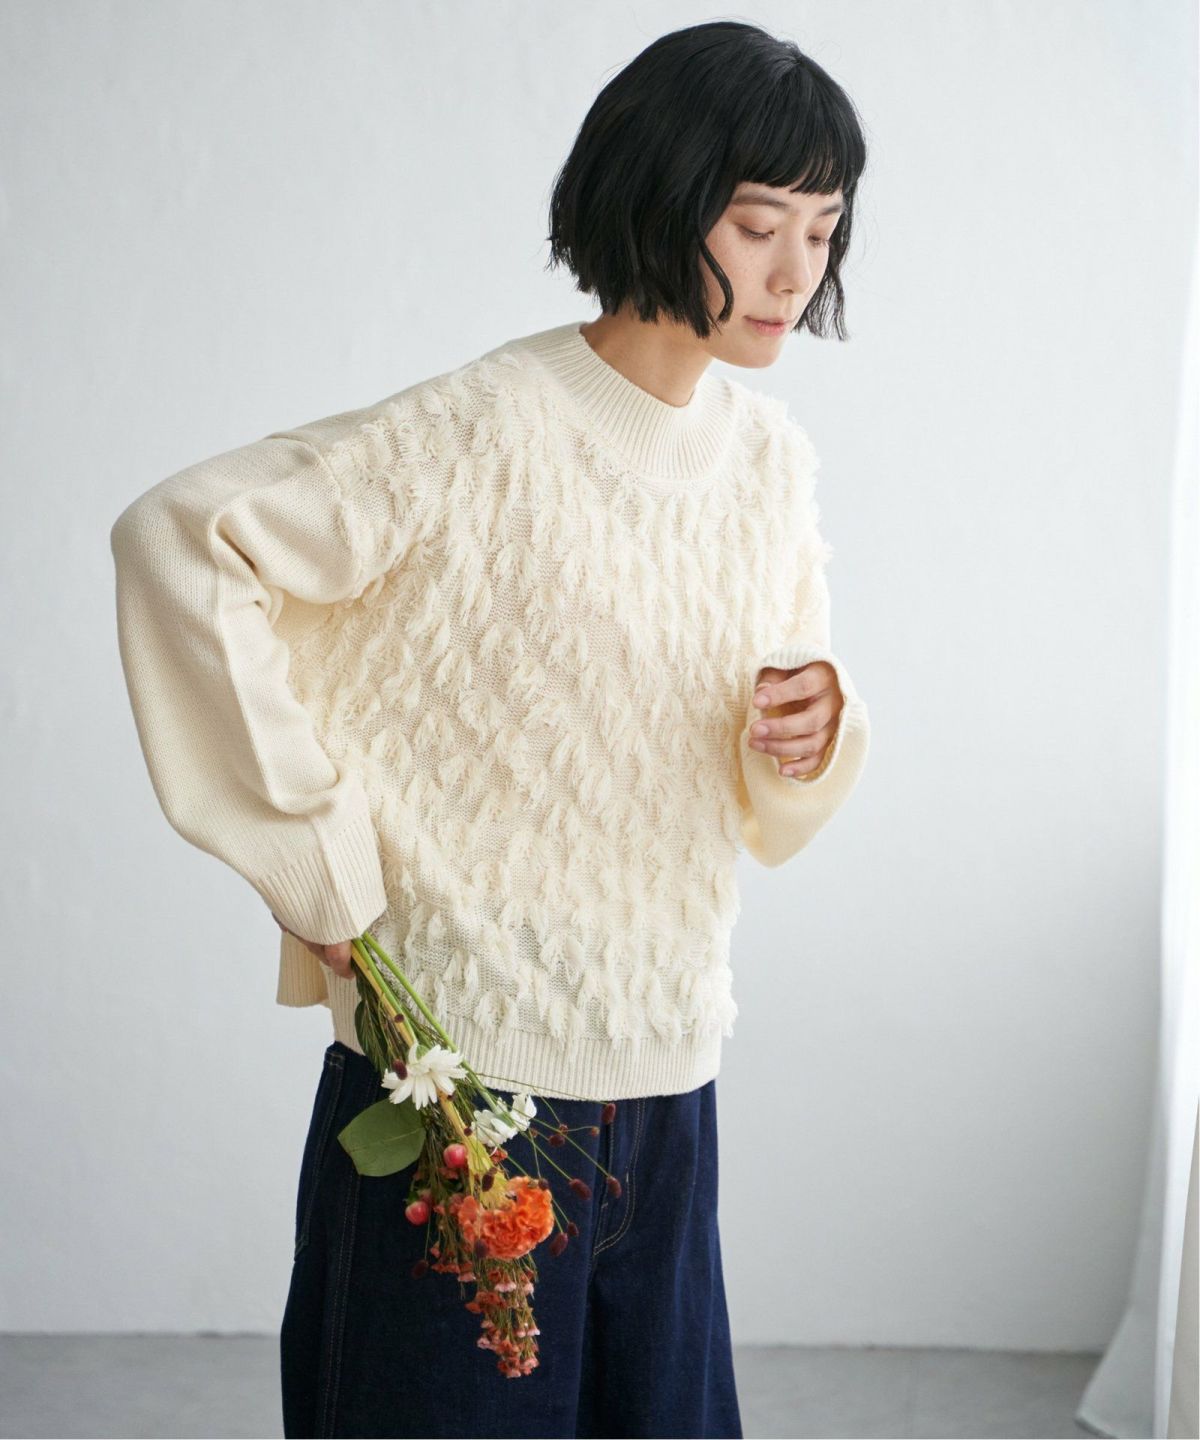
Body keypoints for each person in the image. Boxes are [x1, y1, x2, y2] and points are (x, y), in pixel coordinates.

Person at [109, 18, 871, 1439]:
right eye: (759, 224)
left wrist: (819, 728)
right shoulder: (482, 428)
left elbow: (764, 782)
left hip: (668, 1081)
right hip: (457, 1084)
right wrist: (313, 861)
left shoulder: (771, 465)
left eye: (822, 232)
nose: (795, 272)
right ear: (658, 199)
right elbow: (182, 539)